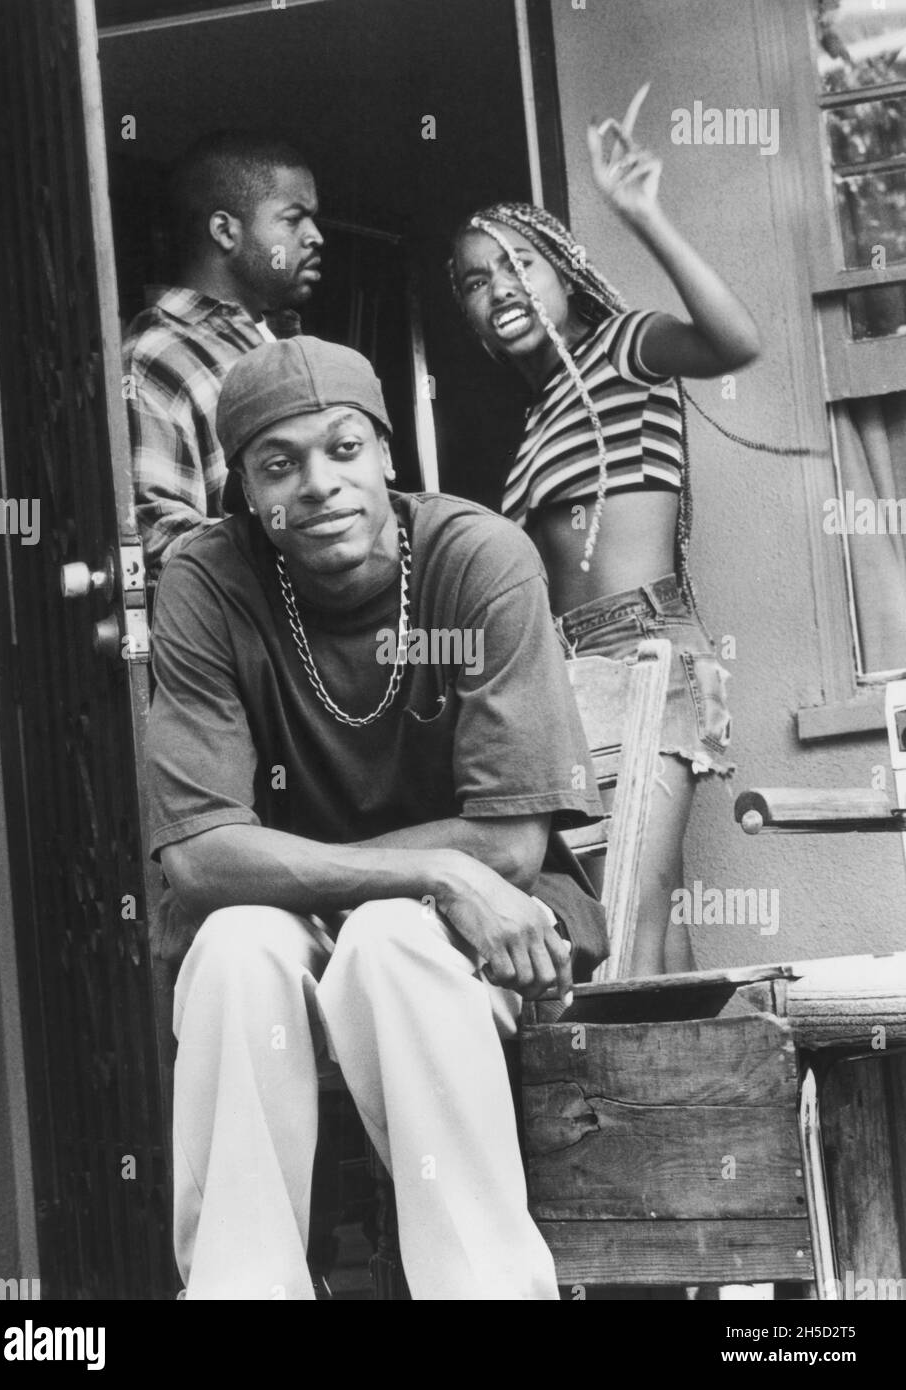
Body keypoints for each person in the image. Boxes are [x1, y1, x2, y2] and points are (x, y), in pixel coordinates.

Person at [145, 335, 607, 1300]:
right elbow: (199, 859)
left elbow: (510, 847)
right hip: (306, 925)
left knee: (389, 939)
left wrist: (338, 876)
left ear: (388, 454)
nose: (318, 484)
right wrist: (432, 868)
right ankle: (241, 1288)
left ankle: (482, 1288)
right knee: (233, 946)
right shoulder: (205, 580)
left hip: (480, 937)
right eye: (280, 466)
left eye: (344, 449)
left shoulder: (476, 557)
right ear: (245, 493)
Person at [449, 90, 761, 977]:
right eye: (475, 279)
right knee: (645, 903)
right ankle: (699, 1095)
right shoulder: (540, 413)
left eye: (519, 265)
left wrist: (644, 212)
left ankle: (640, 1103)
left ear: (566, 274)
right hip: (570, 671)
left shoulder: (624, 346)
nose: (498, 287)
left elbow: (734, 342)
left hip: (644, 652)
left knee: (630, 910)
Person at [123, 130, 324, 575]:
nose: (316, 237)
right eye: (294, 219)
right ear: (224, 231)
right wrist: (306, 548)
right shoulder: (158, 355)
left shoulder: (284, 341)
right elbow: (156, 534)